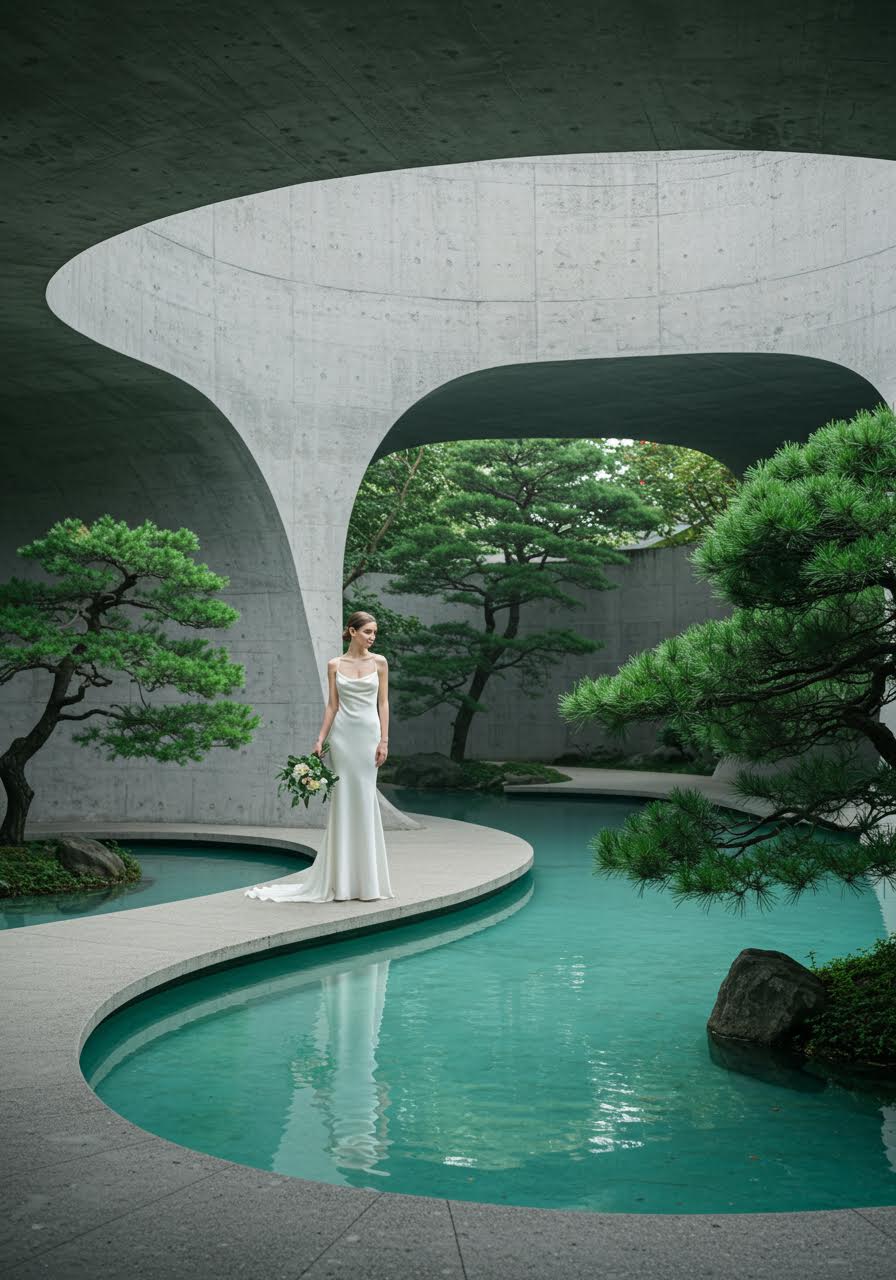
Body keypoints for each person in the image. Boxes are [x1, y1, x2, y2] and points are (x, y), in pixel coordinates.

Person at [245, 611, 395, 903]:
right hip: (342, 737)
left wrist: (384, 740)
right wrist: (319, 738)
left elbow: (384, 703)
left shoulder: (380, 662)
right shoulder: (334, 665)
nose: (372, 637)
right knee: (343, 801)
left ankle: (367, 882)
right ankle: (341, 880)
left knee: (364, 799)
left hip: (368, 737)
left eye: (375, 633)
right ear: (352, 631)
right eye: (367, 632)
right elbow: (332, 705)